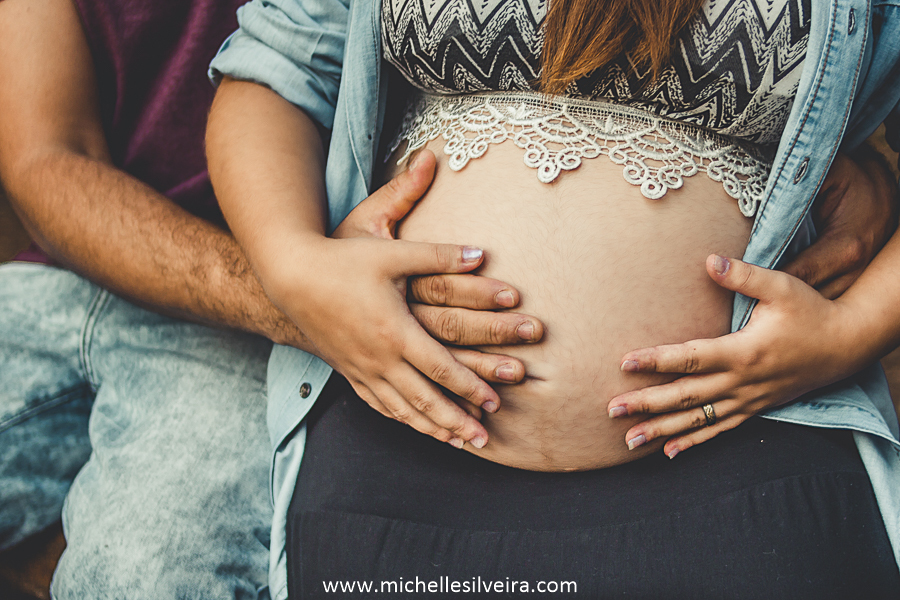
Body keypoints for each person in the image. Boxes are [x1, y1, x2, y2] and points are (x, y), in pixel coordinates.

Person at [206, 0, 900, 596]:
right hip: (400, 440)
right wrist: (294, 264)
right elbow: (277, 69)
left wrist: (854, 330)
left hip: (750, 452)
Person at [0, 0, 545, 596]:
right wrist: (305, 294)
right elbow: (44, 156)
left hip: (246, 349)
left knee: (146, 575)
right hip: (93, 280)